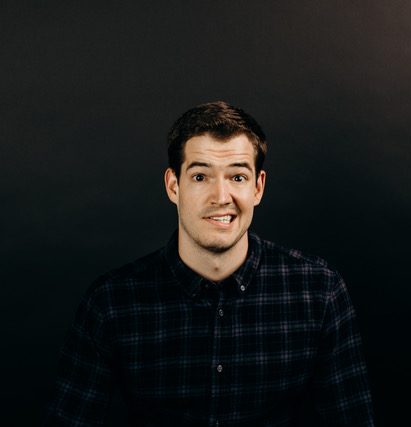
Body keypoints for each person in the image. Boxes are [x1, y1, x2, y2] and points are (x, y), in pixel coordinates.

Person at [44, 101, 374, 426]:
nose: (220, 196)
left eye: (237, 177)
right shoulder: (111, 303)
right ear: (174, 186)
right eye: (201, 177)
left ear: (258, 187)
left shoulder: (319, 290)